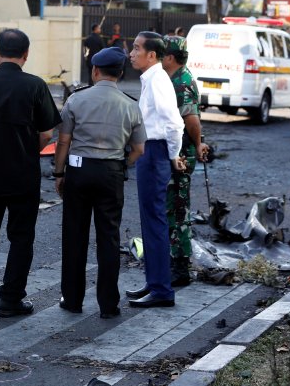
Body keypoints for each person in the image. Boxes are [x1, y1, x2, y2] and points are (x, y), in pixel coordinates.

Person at [0, 28, 61, 317]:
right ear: (26, 55)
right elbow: (47, 133)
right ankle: (11, 299)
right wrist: (28, 145)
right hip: (22, 173)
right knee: (20, 237)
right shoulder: (35, 86)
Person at [54, 47, 146, 319]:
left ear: (95, 71)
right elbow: (139, 149)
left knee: (74, 236)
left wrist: (59, 174)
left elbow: (63, 141)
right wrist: (120, 164)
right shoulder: (130, 104)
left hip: (78, 171)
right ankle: (108, 304)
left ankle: (72, 299)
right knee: (108, 237)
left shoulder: (76, 100)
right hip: (111, 172)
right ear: (120, 73)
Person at [126, 31, 185, 308]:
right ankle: (154, 283)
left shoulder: (158, 80)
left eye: (137, 49)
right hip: (151, 151)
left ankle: (162, 290)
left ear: (152, 55)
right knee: (150, 221)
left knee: (155, 221)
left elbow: (174, 123)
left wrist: (172, 155)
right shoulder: (151, 78)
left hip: (156, 151)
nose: (132, 53)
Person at [161, 36, 210, 286]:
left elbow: (191, 120)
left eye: (161, 54)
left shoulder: (181, 82)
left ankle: (180, 266)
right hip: (178, 150)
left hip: (181, 153)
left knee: (178, 208)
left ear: (170, 57)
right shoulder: (175, 78)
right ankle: (174, 259)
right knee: (172, 206)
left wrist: (199, 142)